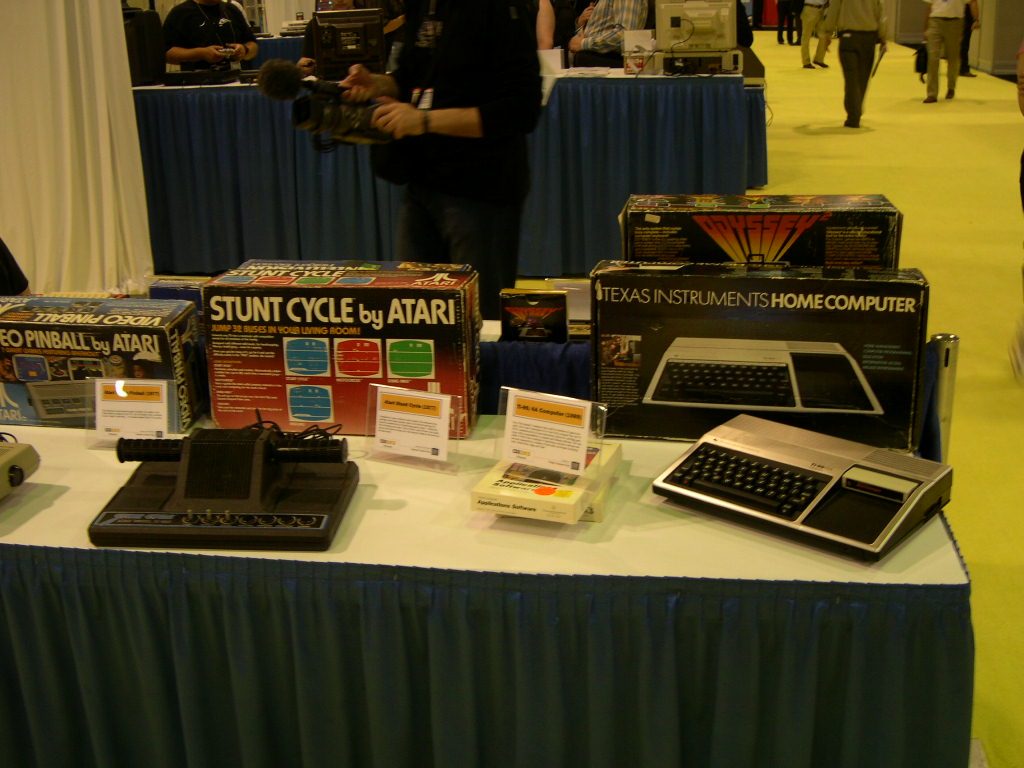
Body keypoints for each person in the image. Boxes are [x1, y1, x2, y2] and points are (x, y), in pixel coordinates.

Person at [339, 0, 543, 319]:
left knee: (478, 320)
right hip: (422, 181)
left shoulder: (500, 10)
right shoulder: (423, 5)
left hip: (481, 190)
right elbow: (412, 76)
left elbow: (520, 111)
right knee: (416, 313)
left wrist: (424, 120)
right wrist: (379, 83)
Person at [823, 0, 887, 128]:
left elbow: (834, 10)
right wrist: (883, 37)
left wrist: (827, 32)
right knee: (863, 78)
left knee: (851, 79)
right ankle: (857, 110)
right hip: (869, 38)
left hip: (849, 37)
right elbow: (881, 14)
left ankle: (853, 114)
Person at [163, 0, 258, 71]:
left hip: (236, 80)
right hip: (197, 83)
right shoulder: (180, 13)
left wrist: (244, 50)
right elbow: (167, 54)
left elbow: (253, 45)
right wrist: (201, 54)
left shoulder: (232, 9)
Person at [921, 0, 979, 103]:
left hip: (955, 22)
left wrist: (976, 19)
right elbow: (929, 6)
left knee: (953, 58)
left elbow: (973, 1)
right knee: (933, 57)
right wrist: (926, 28)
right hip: (935, 21)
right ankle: (932, 94)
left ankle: (951, 86)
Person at [568, 0, 649, 67]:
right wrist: (580, 29)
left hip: (608, 63)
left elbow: (624, 34)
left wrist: (584, 43)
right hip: (591, 63)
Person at [800, 0, 831, 68]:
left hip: (822, 10)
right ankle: (806, 62)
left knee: (824, 36)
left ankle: (819, 59)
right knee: (806, 36)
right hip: (809, 8)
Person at [958, 1, 978, 77]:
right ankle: (963, 69)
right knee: (964, 43)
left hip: (952, 13)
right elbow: (973, 3)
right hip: (965, 14)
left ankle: (958, 66)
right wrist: (976, 20)